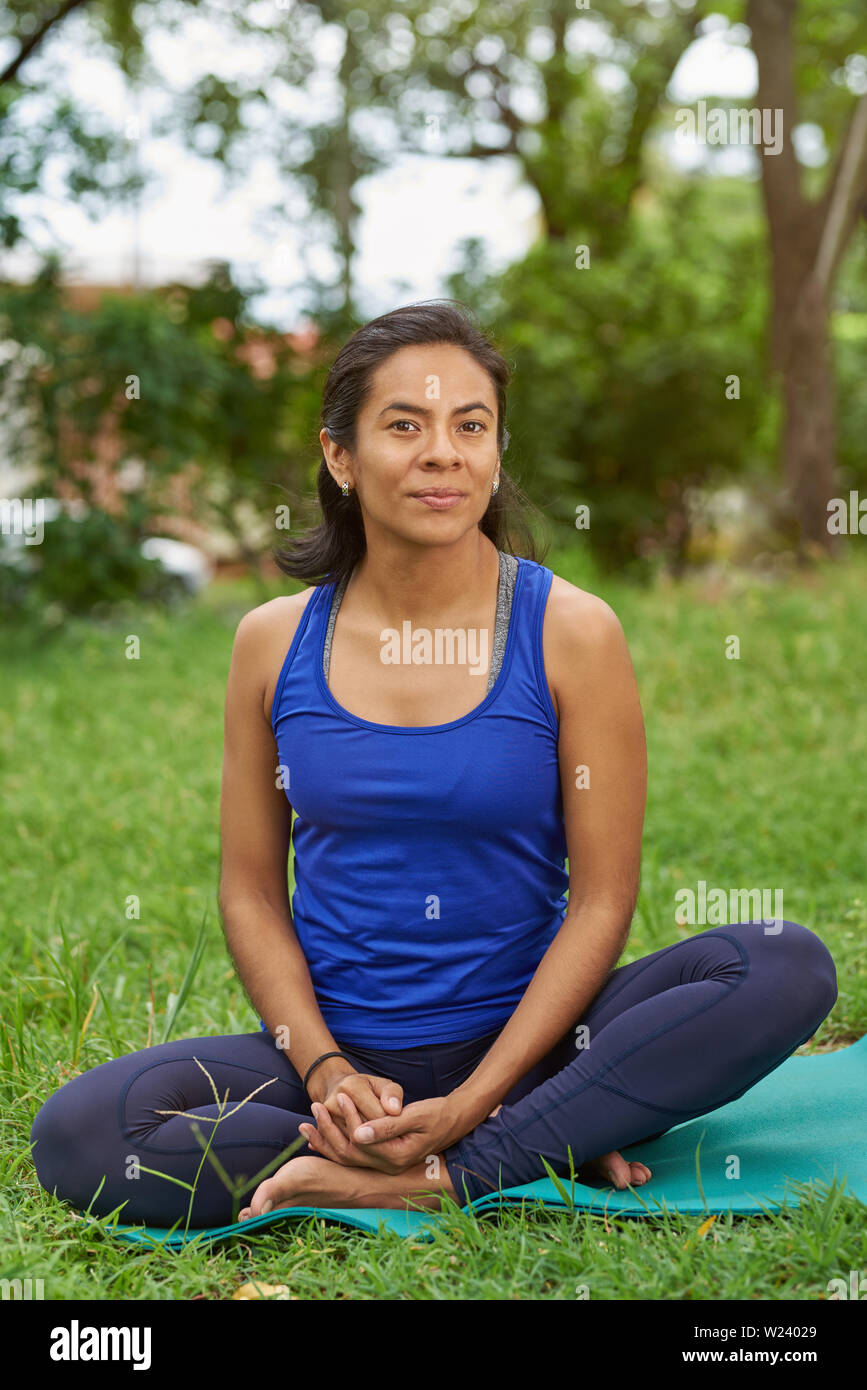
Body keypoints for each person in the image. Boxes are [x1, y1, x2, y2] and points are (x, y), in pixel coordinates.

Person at [30, 302, 837, 1229]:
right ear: (339, 455)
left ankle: (462, 1161)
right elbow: (250, 894)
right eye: (404, 425)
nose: (443, 452)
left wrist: (480, 1100)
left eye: (470, 425)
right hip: (340, 1069)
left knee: (782, 963)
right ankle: (532, 1138)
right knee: (84, 1136)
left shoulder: (571, 632)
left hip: (540, 1045)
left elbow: (602, 900)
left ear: (496, 452)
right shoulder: (271, 643)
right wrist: (326, 1071)